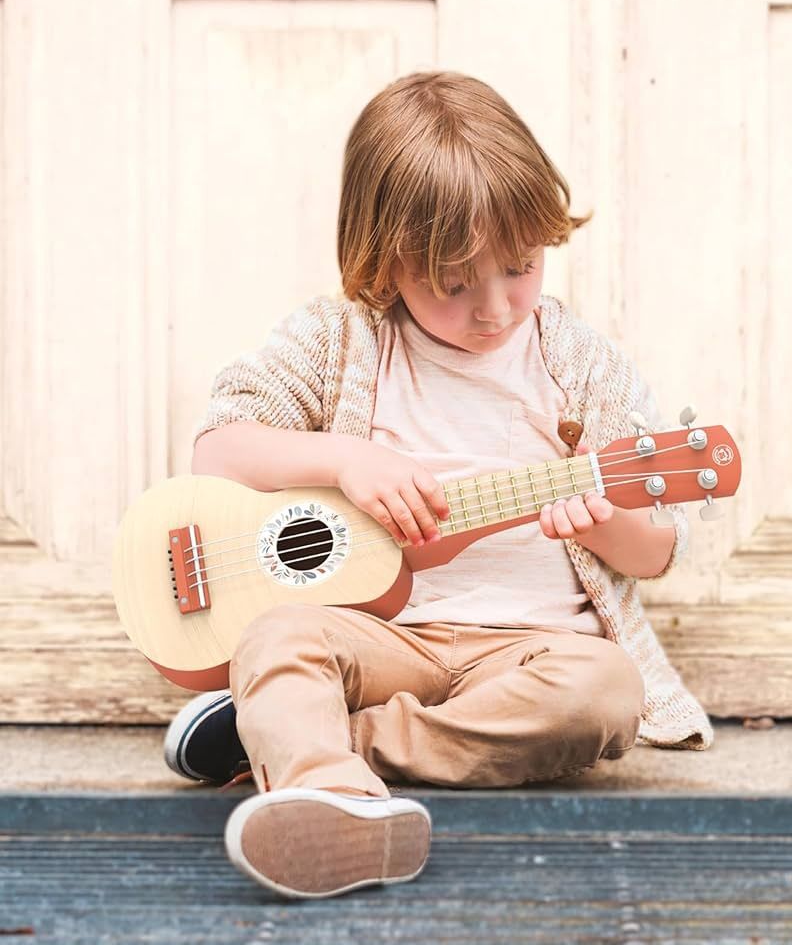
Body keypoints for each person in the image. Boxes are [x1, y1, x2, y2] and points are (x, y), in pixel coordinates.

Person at [163, 70, 713, 900]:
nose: (494, 306)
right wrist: (344, 462)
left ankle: (330, 754)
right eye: (455, 285)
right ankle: (336, 804)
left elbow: (659, 545)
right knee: (276, 636)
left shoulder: (580, 366)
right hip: (380, 642)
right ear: (384, 262)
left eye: (520, 267)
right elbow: (221, 452)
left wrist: (601, 526)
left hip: (524, 651)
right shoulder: (340, 341)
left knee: (606, 691)